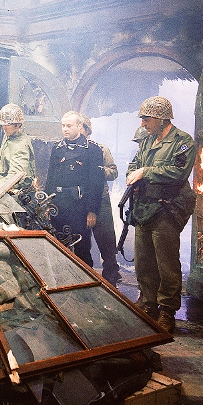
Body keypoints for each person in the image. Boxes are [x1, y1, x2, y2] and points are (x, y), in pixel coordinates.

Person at [126, 96, 196, 333]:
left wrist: (146, 172)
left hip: (167, 209)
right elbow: (134, 164)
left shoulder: (182, 141)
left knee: (166, 264)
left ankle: (167, 311)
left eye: (146, 119)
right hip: (144, 208)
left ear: (161, 119)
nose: (143, 123)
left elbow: (178, 172)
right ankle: (148, 304)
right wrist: (134, 175)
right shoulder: (147, 141)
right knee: (144, 261)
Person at [44, 110, 105, 267]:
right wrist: (47, 203)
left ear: (79, 126)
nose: (65, 129)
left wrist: (92, 211)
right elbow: (50, 178)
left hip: (80, 206)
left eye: (69, 126)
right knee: (57, 247)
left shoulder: (93, 150)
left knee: (82, 248)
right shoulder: (57, 149)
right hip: (58, 205)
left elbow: (96, 184)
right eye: (63, 125)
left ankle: (85, 280)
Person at [80, 115, 121, 286]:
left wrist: (97, 170)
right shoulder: (70, 150)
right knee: (81, 243)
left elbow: (113, 172)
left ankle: (111, 278)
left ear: (86, 130)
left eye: (79, 126)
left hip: (100, 199)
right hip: (80, 201)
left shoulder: (101, 149)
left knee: (106, 242)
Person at [0, 103, 35, 186]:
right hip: (2, 185)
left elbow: (15, 177)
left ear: (18, 124)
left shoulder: (21, 146)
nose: (4, 128)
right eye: (2, 124)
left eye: (8, 124)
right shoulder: (9, 135)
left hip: (13, 189)